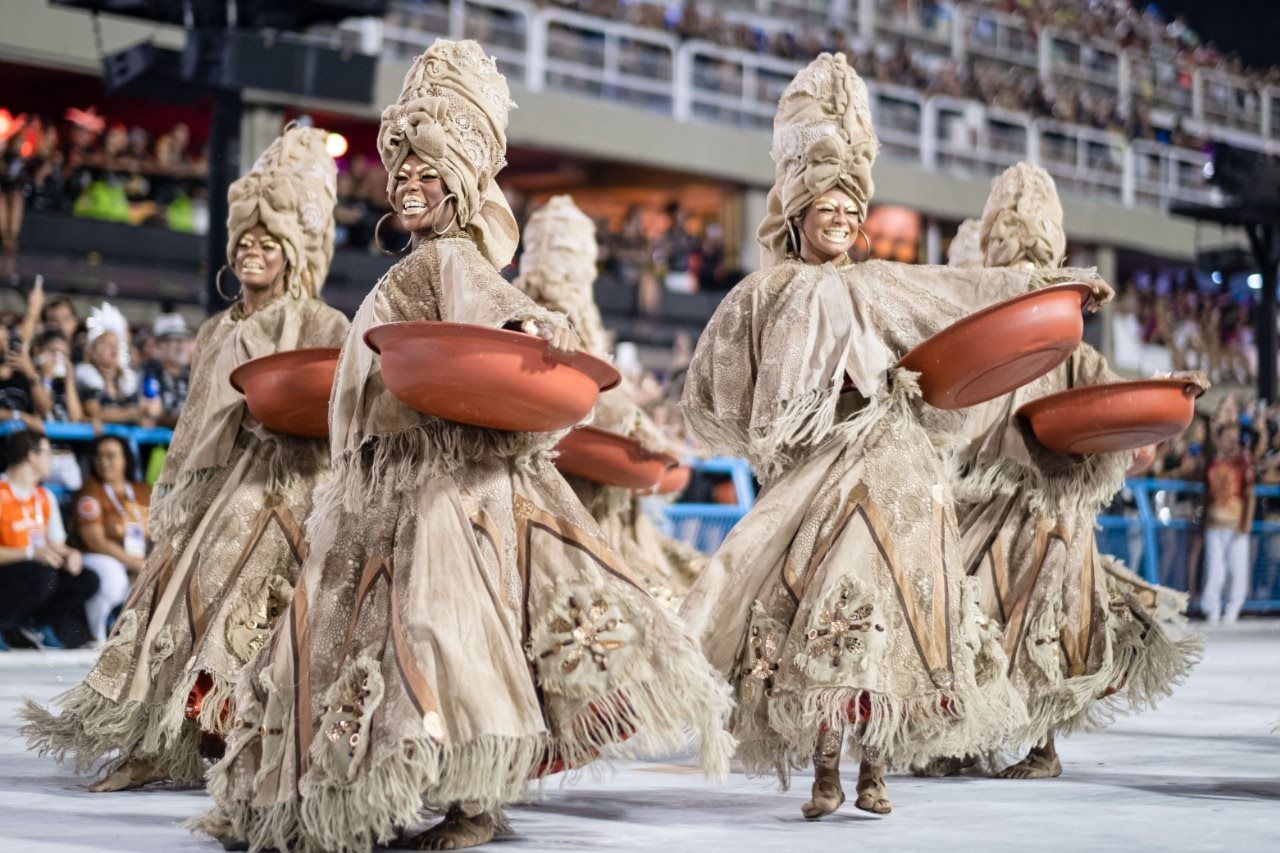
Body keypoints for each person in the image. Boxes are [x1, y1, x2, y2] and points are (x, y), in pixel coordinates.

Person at [194, 40, 730, 853]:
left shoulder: (451, 258)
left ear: (463, 183)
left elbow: (495, 306)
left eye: (425, 172)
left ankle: (472, 802)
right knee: (380, 633)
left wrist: (526, 328)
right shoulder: (410, 264)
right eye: (399, 170)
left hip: (443, 487)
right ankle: (436, 792)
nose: (408, 183)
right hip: (384, 488)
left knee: (440, 629)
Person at [678, 53, 1110, 822]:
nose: (841, 217)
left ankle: (873, 766)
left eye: (851, 205)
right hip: (818, 473)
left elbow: (970, 290)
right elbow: (719, 374)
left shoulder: (883, 283)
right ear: (797, 214)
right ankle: (822, 768)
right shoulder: (766, 291)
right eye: (825, 206)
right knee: (820, 607)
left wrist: (1054, 286)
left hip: (897, 470)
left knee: (889, 609)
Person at [21, 125, 350, 793]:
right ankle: (158, 740)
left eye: (269, 240)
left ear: (294, 250)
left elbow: (344, 417)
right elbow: (192, 426)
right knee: (174, 607)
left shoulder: (326, 325)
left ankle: (253, 746)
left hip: (294, 491)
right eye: (245, 239)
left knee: (251, 614)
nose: (253, 248)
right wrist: (173, 495)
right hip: (213, 491)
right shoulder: (214, 330)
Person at [942, 163, 1206, 780]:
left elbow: (1110, 399)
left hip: (1050, 506)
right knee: (968, 616)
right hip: (977, 499)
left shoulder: (1073, 349)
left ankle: (1043, 747)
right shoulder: (981, 334)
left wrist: (1167, 392)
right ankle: (963, 736)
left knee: (1046, 623)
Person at [515, 195, 702, 602]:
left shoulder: (569, 318)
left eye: (567, 252)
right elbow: (584, 392)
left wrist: (643, 416)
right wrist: (637, 424)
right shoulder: (532, 320)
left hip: (594, 495)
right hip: (552, 493)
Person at [0, 430, 96, 648]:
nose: (51, 460)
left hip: (34, 570)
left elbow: (56, 544)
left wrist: (71, 554)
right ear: (32, 456)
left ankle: (34, 625)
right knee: (41, 576)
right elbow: (33, 553)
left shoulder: (44, 496)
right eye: (47, 454)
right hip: (8, 570)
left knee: (86, 578)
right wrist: (30, 553)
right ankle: (5, 625)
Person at [75, 435, 151, 643]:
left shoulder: (142, 490)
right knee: (114, 579)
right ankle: (96, 632)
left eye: (111, 456)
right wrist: (134, 563)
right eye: (99, 457)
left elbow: (160, 531)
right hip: (101, 556)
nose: (103, 462)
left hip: (138, 557)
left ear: (126, 459)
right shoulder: (90, 492)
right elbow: (95, 541)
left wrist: (149, 562)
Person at [1202, 422, 1254, 624]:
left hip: (1235, 524)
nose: (1233, 441)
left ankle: (1233, 608)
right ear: (1220, 439)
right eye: (1229, 437)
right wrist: (1205, 519)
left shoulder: (1242, 463)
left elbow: (1249, 494)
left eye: (1235, 438)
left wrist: (1245, 522)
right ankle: (1212, 608)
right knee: (1215, 568)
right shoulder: (1212, 462)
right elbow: (1207, 493)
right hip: (1215, 524)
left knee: (1236, 568)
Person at [75, 302, 152, 425]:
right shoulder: (87, 378)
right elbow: (95, 412)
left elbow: (143, 414)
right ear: (93, 351)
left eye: (116, 345)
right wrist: (132, 413)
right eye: (107, 344)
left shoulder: (127, 380)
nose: (113, 348)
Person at [139, 312, 193, 427]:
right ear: (158, 345)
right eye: (175, 340)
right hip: (160, 442)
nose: (181, 345)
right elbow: (152, 413)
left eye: (184, 340)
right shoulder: (148, 373)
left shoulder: (191, 375)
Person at [31, 327, 83, 422]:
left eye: (64, 354)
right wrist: (47, 378)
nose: (59, 359)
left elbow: (76, 419)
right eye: (53, 352)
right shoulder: (31, 380)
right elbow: (43, 412)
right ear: (38, 352)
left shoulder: (71, 384)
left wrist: (69, 382)